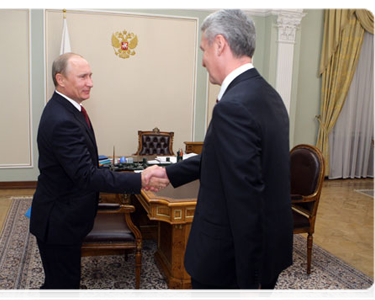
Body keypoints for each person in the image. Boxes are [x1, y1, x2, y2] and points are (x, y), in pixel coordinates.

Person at [149, 9, 293, 300]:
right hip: (267, 252)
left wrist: (249, 284)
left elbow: (246, 198)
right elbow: (227, 159)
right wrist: (170, 172)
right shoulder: (267, 95)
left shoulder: (233, 106)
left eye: (203, 49)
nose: (203, 59)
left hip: (227, 266)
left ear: (219, 44)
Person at [29, 52, 168, 300]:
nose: (90, 82)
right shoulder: (62, 119)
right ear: (60, 79)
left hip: (63, 216)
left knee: (55, 285)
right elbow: (85, 175)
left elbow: (86, 164)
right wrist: (140, 179)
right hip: (59, 222)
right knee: (63, 289)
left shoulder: (70, 109)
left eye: (90, 75)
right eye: (83, 76)